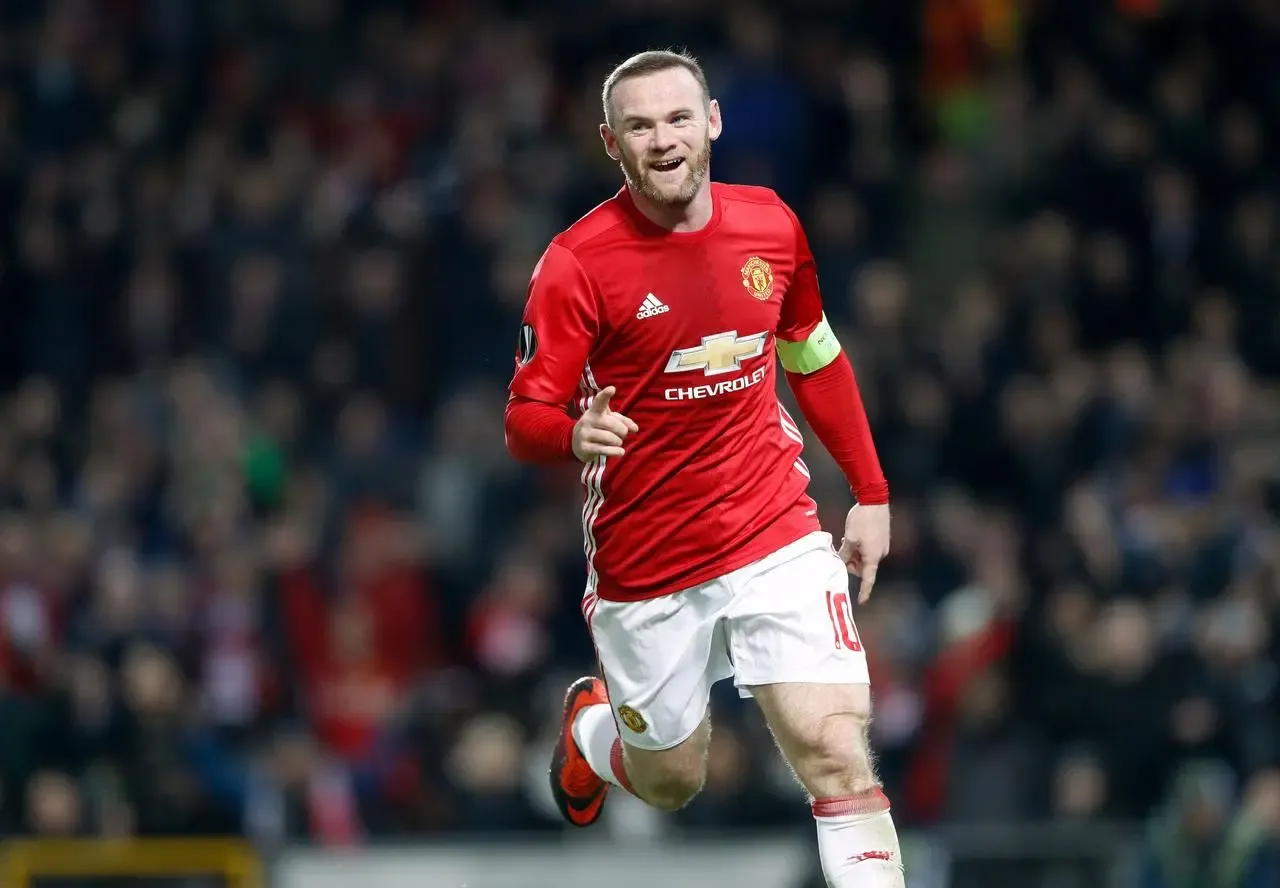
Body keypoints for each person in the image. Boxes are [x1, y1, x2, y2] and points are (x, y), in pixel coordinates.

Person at [503, 49, 902, 887]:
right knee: (672, 778)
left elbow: (812, 353)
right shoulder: (576, 264)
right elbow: (523, 416)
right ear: (611, 143)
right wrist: (573, 433)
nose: (664, 139)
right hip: (648, 562)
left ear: (712, 122)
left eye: (679, 118)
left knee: (835, 746)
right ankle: (590, 733)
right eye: (640, 126)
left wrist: (869, 491)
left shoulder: (771, 226)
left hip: (773, 529)